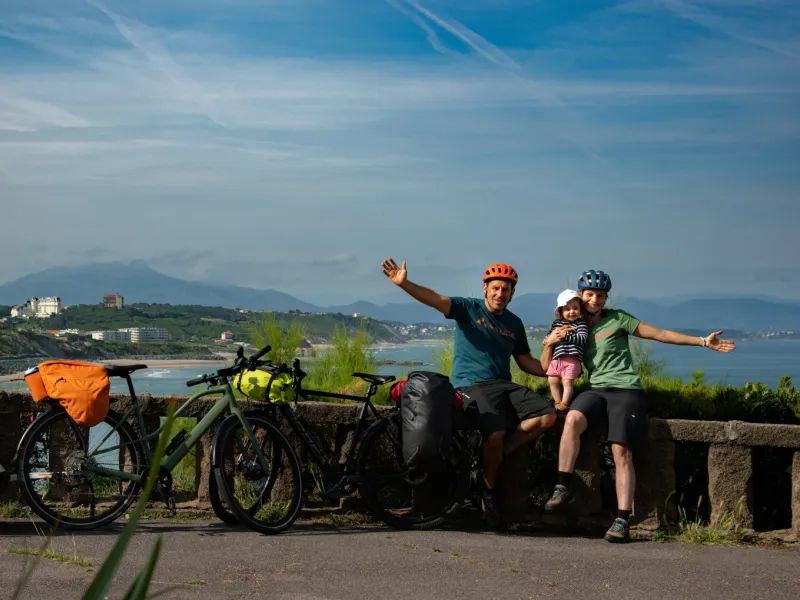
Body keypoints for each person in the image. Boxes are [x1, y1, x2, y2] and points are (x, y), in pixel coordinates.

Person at [541, 269, 736, 543]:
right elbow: (548, 364)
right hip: (596, 389)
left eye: (600, 295)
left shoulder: (618, 318)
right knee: (572, 419)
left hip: (626, 390)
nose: (595, 299)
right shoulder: (572, 323)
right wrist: (549, 344)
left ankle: (622, 519)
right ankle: (562, 487)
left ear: (606, 297)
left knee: (621, 450)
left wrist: (703, 342)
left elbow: (659, 334)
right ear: (580, 296)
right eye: (589, 294)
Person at [381, 258, 556, 527]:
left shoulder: (514, 323)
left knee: (547, 416)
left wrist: (554, 353)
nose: (500, 294)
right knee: (495, 432)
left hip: (504, 384)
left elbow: (529, 363)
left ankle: (487, 463)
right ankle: (486, 490)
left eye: (506, 290)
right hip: (471, 385)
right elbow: (434, 298)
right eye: (495, 288)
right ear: (485, 288)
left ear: (512, 294)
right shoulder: (467, 308)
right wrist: (404, 284)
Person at [546, 289, 588, 412]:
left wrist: (566, 336)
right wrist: (547, 339)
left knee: (567, 381)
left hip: (571, 359)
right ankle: (557, 401)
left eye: (575, 308)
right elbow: (550, 334)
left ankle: (565, 403)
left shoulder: (580, 324)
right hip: (556, 359)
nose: (572, 312)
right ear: (561, 311)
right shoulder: (557, 323)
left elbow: (582, 338)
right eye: (567, 309)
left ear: (580, 309)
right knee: (552, 379)